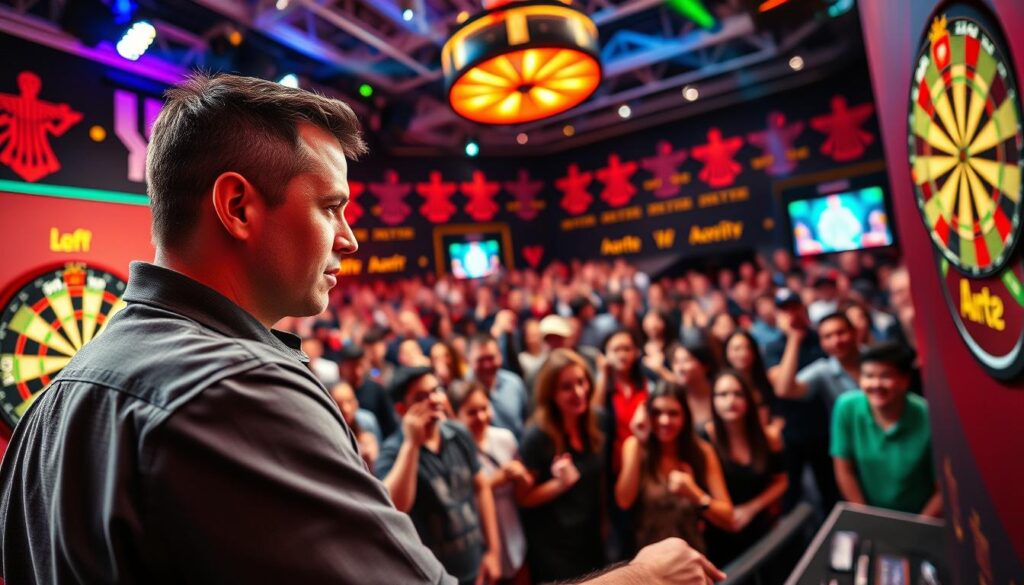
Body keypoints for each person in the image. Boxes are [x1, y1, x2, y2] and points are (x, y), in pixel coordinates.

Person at [0, 73, 724, 585]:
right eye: (331, 208)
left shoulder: (51, 404)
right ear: (239, 206)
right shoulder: (235, 385)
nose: (349, 239)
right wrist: (643, 577)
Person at [376, 366, 502, 585]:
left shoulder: (458, 433)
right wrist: (412, 444)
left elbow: (482, 487)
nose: (434, 400)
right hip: (434, 578)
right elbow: (396, 506)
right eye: (421, 397)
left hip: (476, 567)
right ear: (401, 409)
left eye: (436, 390)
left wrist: (493, 550)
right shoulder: (393, 451)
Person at [518, 349, 607, 583]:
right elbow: (523, 497)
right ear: (551, 394)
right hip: (554, 549)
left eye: (581, 382)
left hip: (590, 539)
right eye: (566, 387)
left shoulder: (596, 423)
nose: (578, 392)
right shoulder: (537, 436)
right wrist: (559, 484)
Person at [615, 381, 734, 554]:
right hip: (648, 562)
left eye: (673, 413)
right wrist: (639, 441)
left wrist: (695, 495)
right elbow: (624, 501)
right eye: (657, 413)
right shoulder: (635, 446)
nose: (664, 420)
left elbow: (728, 518)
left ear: (685, 416)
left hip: (691, 557)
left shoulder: (702, 451)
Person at [831, 343, 941, 517]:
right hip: (871, 518)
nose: (875, 384)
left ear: (905, 380)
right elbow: (844, 470)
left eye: (885, 376)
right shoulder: (846, 407)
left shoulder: (929, 416)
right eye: (868, 376)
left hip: (922, 519)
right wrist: (867, 519)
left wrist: (917, 526)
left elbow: (942, 489)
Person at [449, 381, 532, 584]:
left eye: (484, 408)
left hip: (515, 537)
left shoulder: (505, 438)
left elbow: (524, 492)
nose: (481, 417)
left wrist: (521, 475)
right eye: (471, 412)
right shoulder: (453, 451)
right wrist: (492, 482)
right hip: (481, 548)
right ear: (455, 415)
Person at [701, 371, 787, 567]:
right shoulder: (705, 437)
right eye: (722, 395)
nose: (730, 400)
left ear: (748, 399)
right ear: (713, 400)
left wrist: (751, 508)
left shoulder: (768, 438)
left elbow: (781, 481)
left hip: (758, 524)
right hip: (718, 530)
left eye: (738, 394)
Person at [468, 333, 531, 441]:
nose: (487, 365)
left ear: (500, 356)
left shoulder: (514, 383)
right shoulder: (462, 391)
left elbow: (528, 420)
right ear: (468, 359)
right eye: (481, 359)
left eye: (491, 358)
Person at [330, 380, 380, 471]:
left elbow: (379, 461)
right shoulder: (329, 429)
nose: (346, 409)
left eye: (349, 401)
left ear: (356, 403)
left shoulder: (368, 421)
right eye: (339, 404)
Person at [667, 340, 717, 430]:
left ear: (705, 366)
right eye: (676, 362)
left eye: (686, 361)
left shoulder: (721, 393)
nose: (680, 368)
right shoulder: (673, 398)